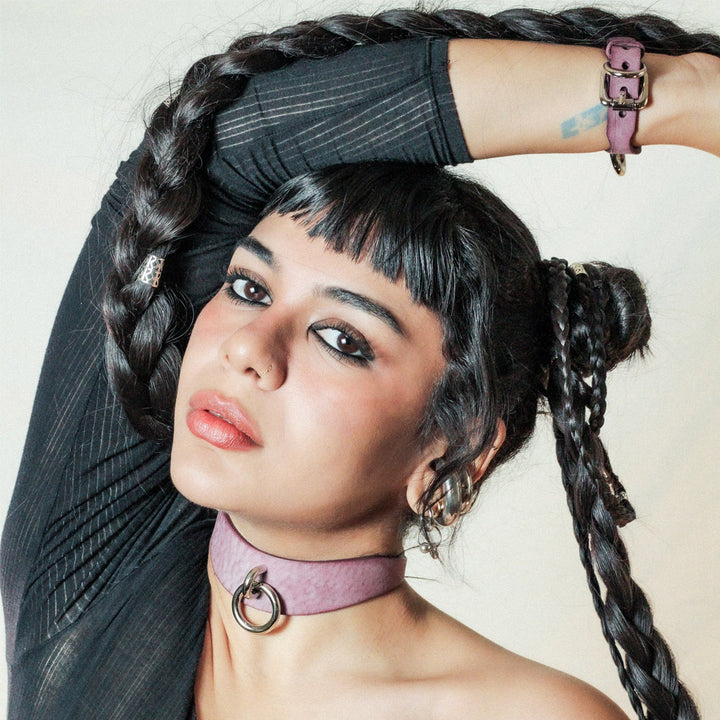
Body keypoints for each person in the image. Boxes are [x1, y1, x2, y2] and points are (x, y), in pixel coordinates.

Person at [2, 5, 718, 720]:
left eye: (342, 338)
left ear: (454, 451)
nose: (248, 347)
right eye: (249, 288)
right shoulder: (93, 570)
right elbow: (207, 152)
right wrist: (679, 96)